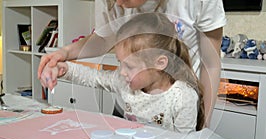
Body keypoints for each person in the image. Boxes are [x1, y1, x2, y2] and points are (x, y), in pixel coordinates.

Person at [38, 0, 226, 127]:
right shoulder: (126, 84)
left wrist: (204, 125)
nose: (118, 4)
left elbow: (211, 64)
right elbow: (103, 42)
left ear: (161, 62)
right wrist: (63, 57)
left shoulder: (182, 98)